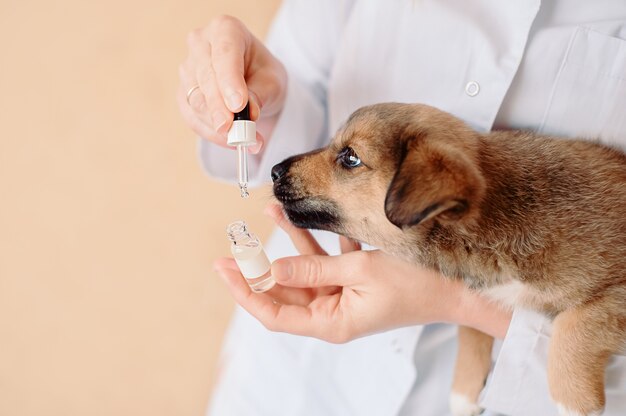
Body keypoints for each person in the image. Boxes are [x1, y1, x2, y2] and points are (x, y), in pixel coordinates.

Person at [177, 1, 626, 415]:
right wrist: (257, 100)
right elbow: (306, 94)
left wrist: (457, 299)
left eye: (348, 158)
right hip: (293, 377)